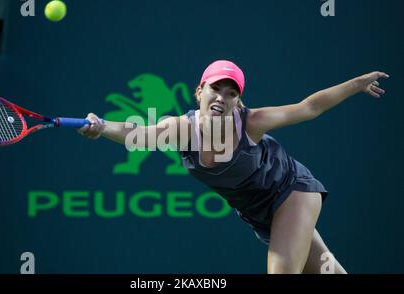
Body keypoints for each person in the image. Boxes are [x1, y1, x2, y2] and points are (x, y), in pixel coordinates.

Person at [78, 60, 389, 274]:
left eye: (231, 93)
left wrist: (356, 83)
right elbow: (138, 135)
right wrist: (102, 126)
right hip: (259, 214)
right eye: (215, 89)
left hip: (292, 193)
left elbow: (309, 107)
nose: (221, 98)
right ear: (199, 92)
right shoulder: (181, 129)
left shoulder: (251, 122)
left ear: (238, 102)